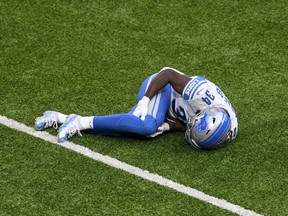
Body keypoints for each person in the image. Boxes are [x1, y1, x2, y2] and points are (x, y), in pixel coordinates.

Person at [34, 67, 238, 150]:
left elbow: (188, 123)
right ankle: (79, 122)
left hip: (170, 109)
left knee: (139, 131)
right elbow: (167, 73)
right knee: (146, 126)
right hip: (160, 87)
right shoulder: (201, 92)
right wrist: (146, 101)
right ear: (206, 111)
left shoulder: (226, 130)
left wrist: (167, 127)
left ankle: (62, 118)